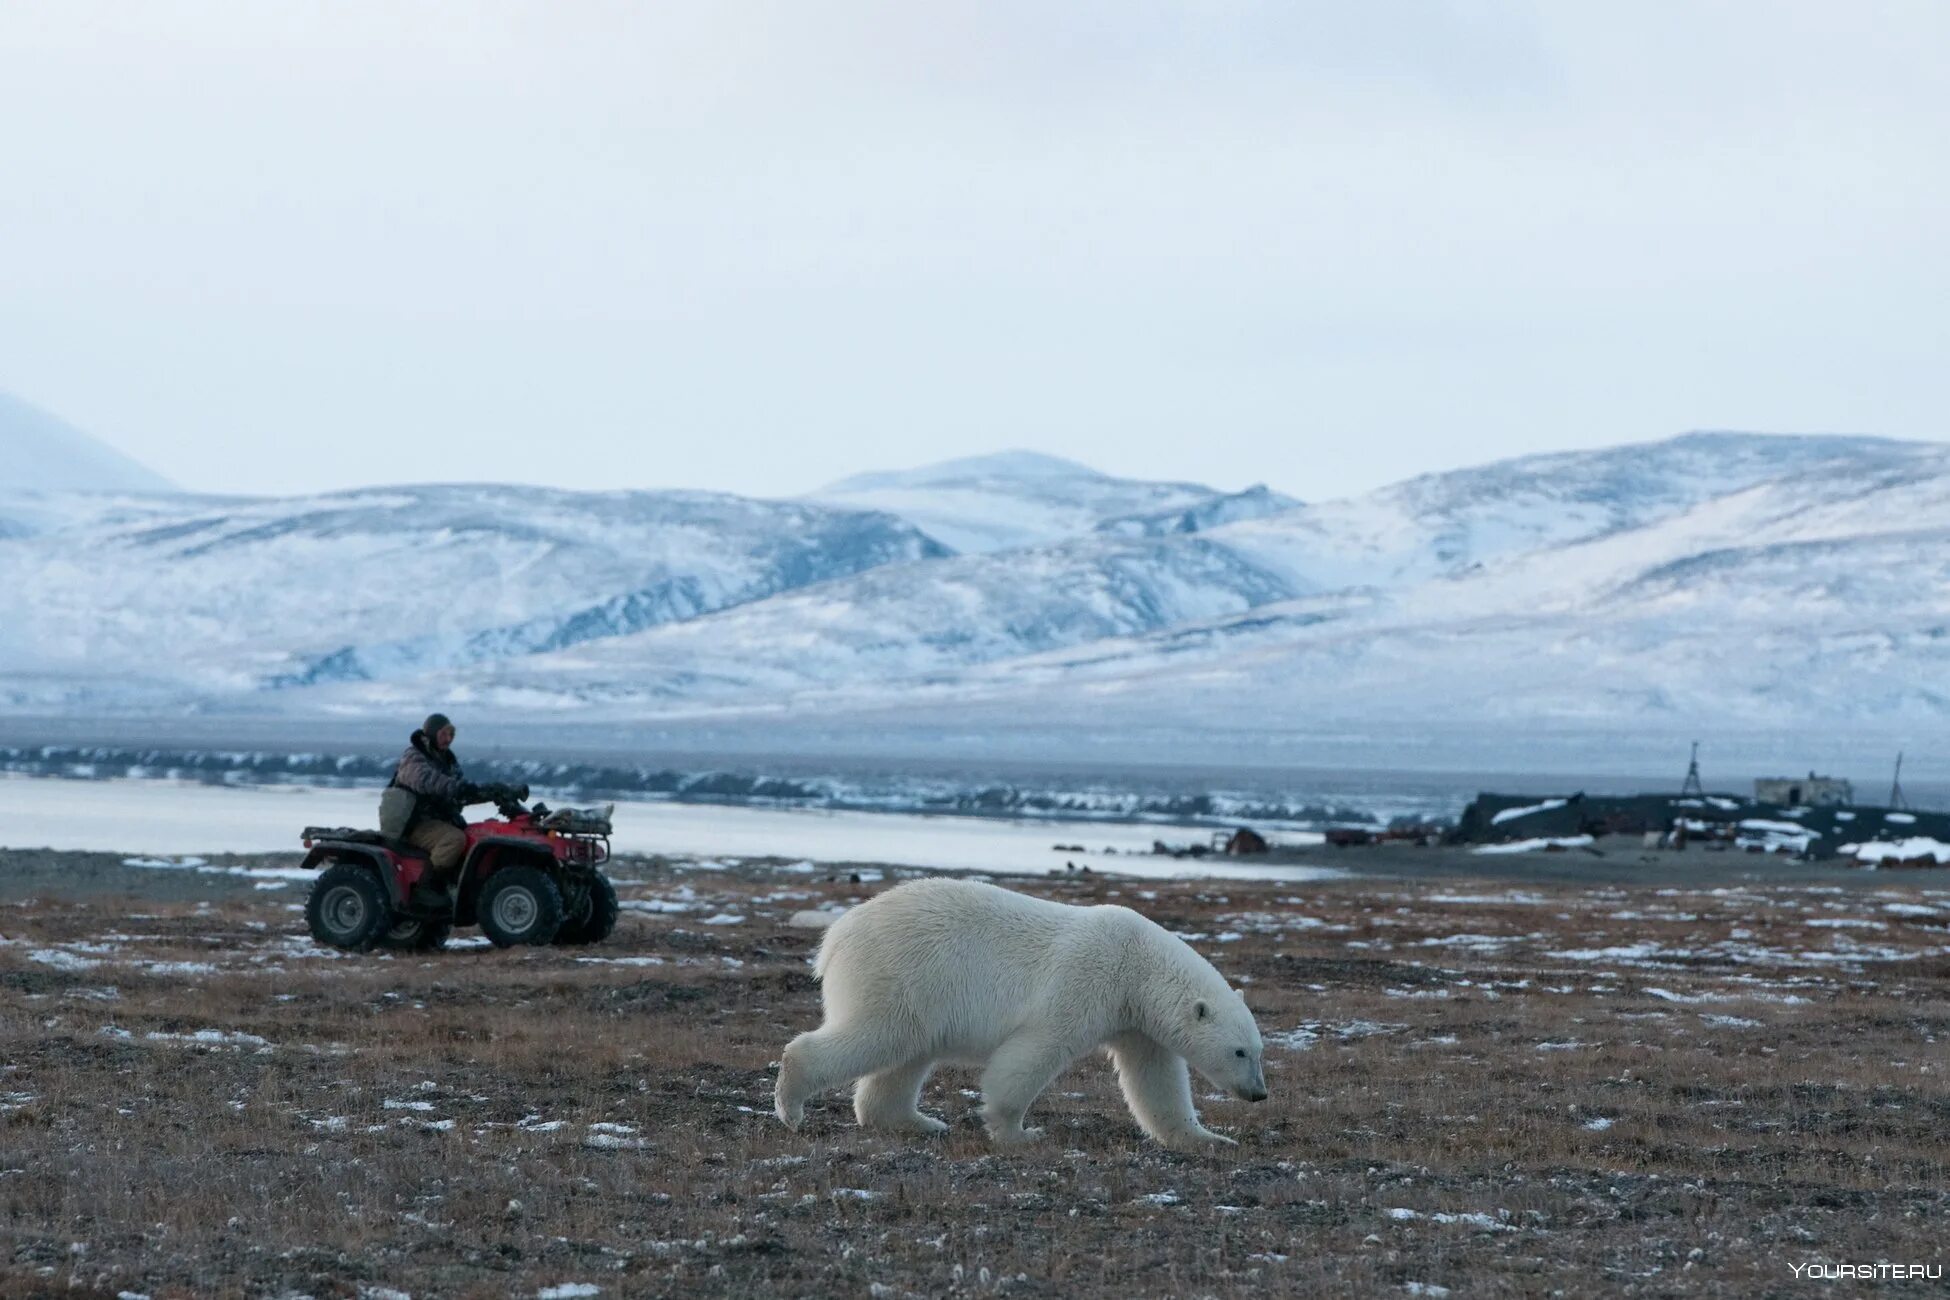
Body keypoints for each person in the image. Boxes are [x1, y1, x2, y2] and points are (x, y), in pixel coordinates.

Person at [384, 713, 484, 905]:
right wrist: (457, 787)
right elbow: (425, 780)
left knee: (477, 835)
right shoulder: (414, 756)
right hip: (414, 822)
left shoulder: (448, 760)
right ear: (431, 733)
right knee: (453, 839)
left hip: (437, 820)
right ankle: (427, 887)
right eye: (444, 734)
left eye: (451, 734)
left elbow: (458, 789)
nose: (448, 739)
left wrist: (487, 793)